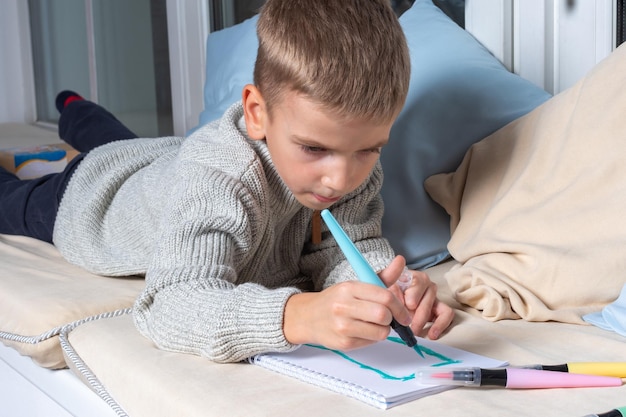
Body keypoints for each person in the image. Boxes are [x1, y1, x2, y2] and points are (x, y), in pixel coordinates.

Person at [0, 0, 454, 363]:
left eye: (369, 149)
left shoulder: (351, 166)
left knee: (115, 138)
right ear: (257, 114)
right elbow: (171, 307)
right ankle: (69, 113)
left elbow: (343, 245)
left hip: (164, 160)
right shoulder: (221, 178)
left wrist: (385, 287)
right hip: (93, 198)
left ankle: (76, 107)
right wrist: (296, 315)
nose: (341, 178)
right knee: (20, 194)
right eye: (314, 149)